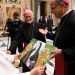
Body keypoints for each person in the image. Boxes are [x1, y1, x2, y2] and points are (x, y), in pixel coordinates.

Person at [39, 0, 75, 75]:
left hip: (70, 66)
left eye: (53, 8)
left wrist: (62, 51)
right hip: (61, 62)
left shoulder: (73, 20)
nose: (51, 11)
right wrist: (47, 34)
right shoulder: (64, 18)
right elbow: (61, 37)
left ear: (63, 6)